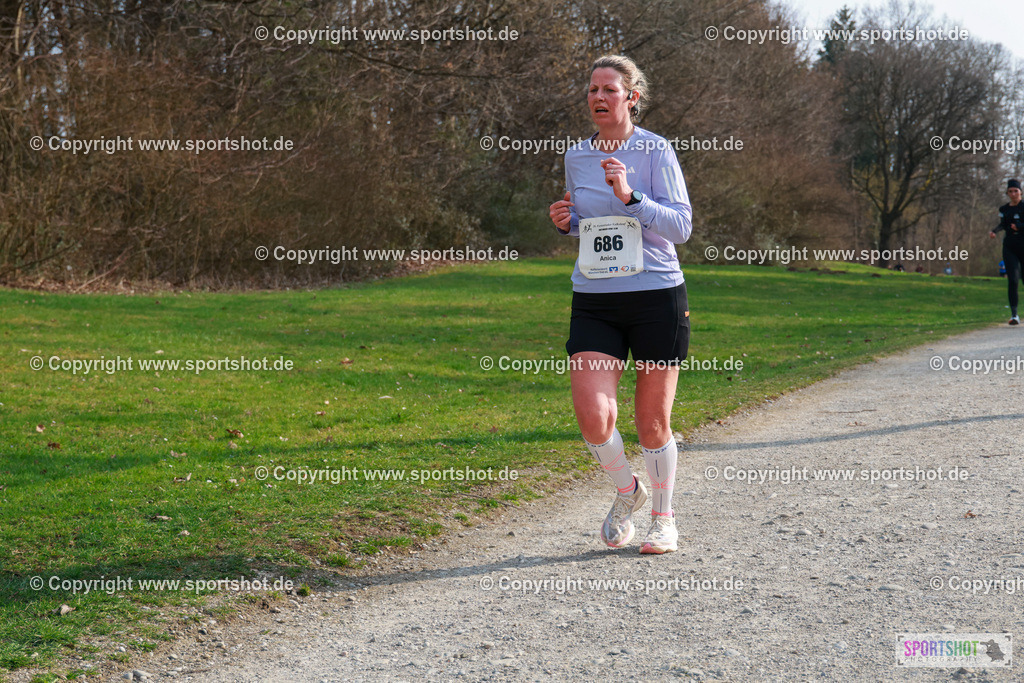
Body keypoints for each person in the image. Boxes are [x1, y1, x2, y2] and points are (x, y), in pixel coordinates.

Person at [548, 55, 692, 554]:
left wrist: (631, 197)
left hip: (656, 295)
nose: (598, 98)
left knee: (651, 423)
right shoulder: (576, 157)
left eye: (609, 89)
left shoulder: (655, 150)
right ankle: (628, 490)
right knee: (593, 416)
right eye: (592, 89)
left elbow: (681, 227)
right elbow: (589, 224)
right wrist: (566, 221)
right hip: (595, 298)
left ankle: (663, 519)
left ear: (632, 97)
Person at [989, 178, 1024, 325]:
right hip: (1010, 247)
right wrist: (994, 231)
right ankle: (1014, 315)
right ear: (1007, 193)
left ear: (1020, 192)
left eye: (1016, 191)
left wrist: (1019, 226)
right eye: (1010, 191)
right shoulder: (1004, 209)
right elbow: (1003, 224)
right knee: (1013, 280)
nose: (1013, 194)